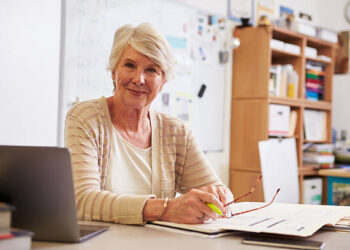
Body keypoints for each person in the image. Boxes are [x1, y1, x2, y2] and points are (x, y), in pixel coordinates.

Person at [64, 23, 233, 225]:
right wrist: (165, 209)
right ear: (113, 71)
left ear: (163, 82)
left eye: (151, 70)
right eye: (129, 65)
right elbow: (83, 200)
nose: (139, 79)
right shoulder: (85, 118)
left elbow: (223, 194)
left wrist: (217, 196)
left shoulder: (177, 132)